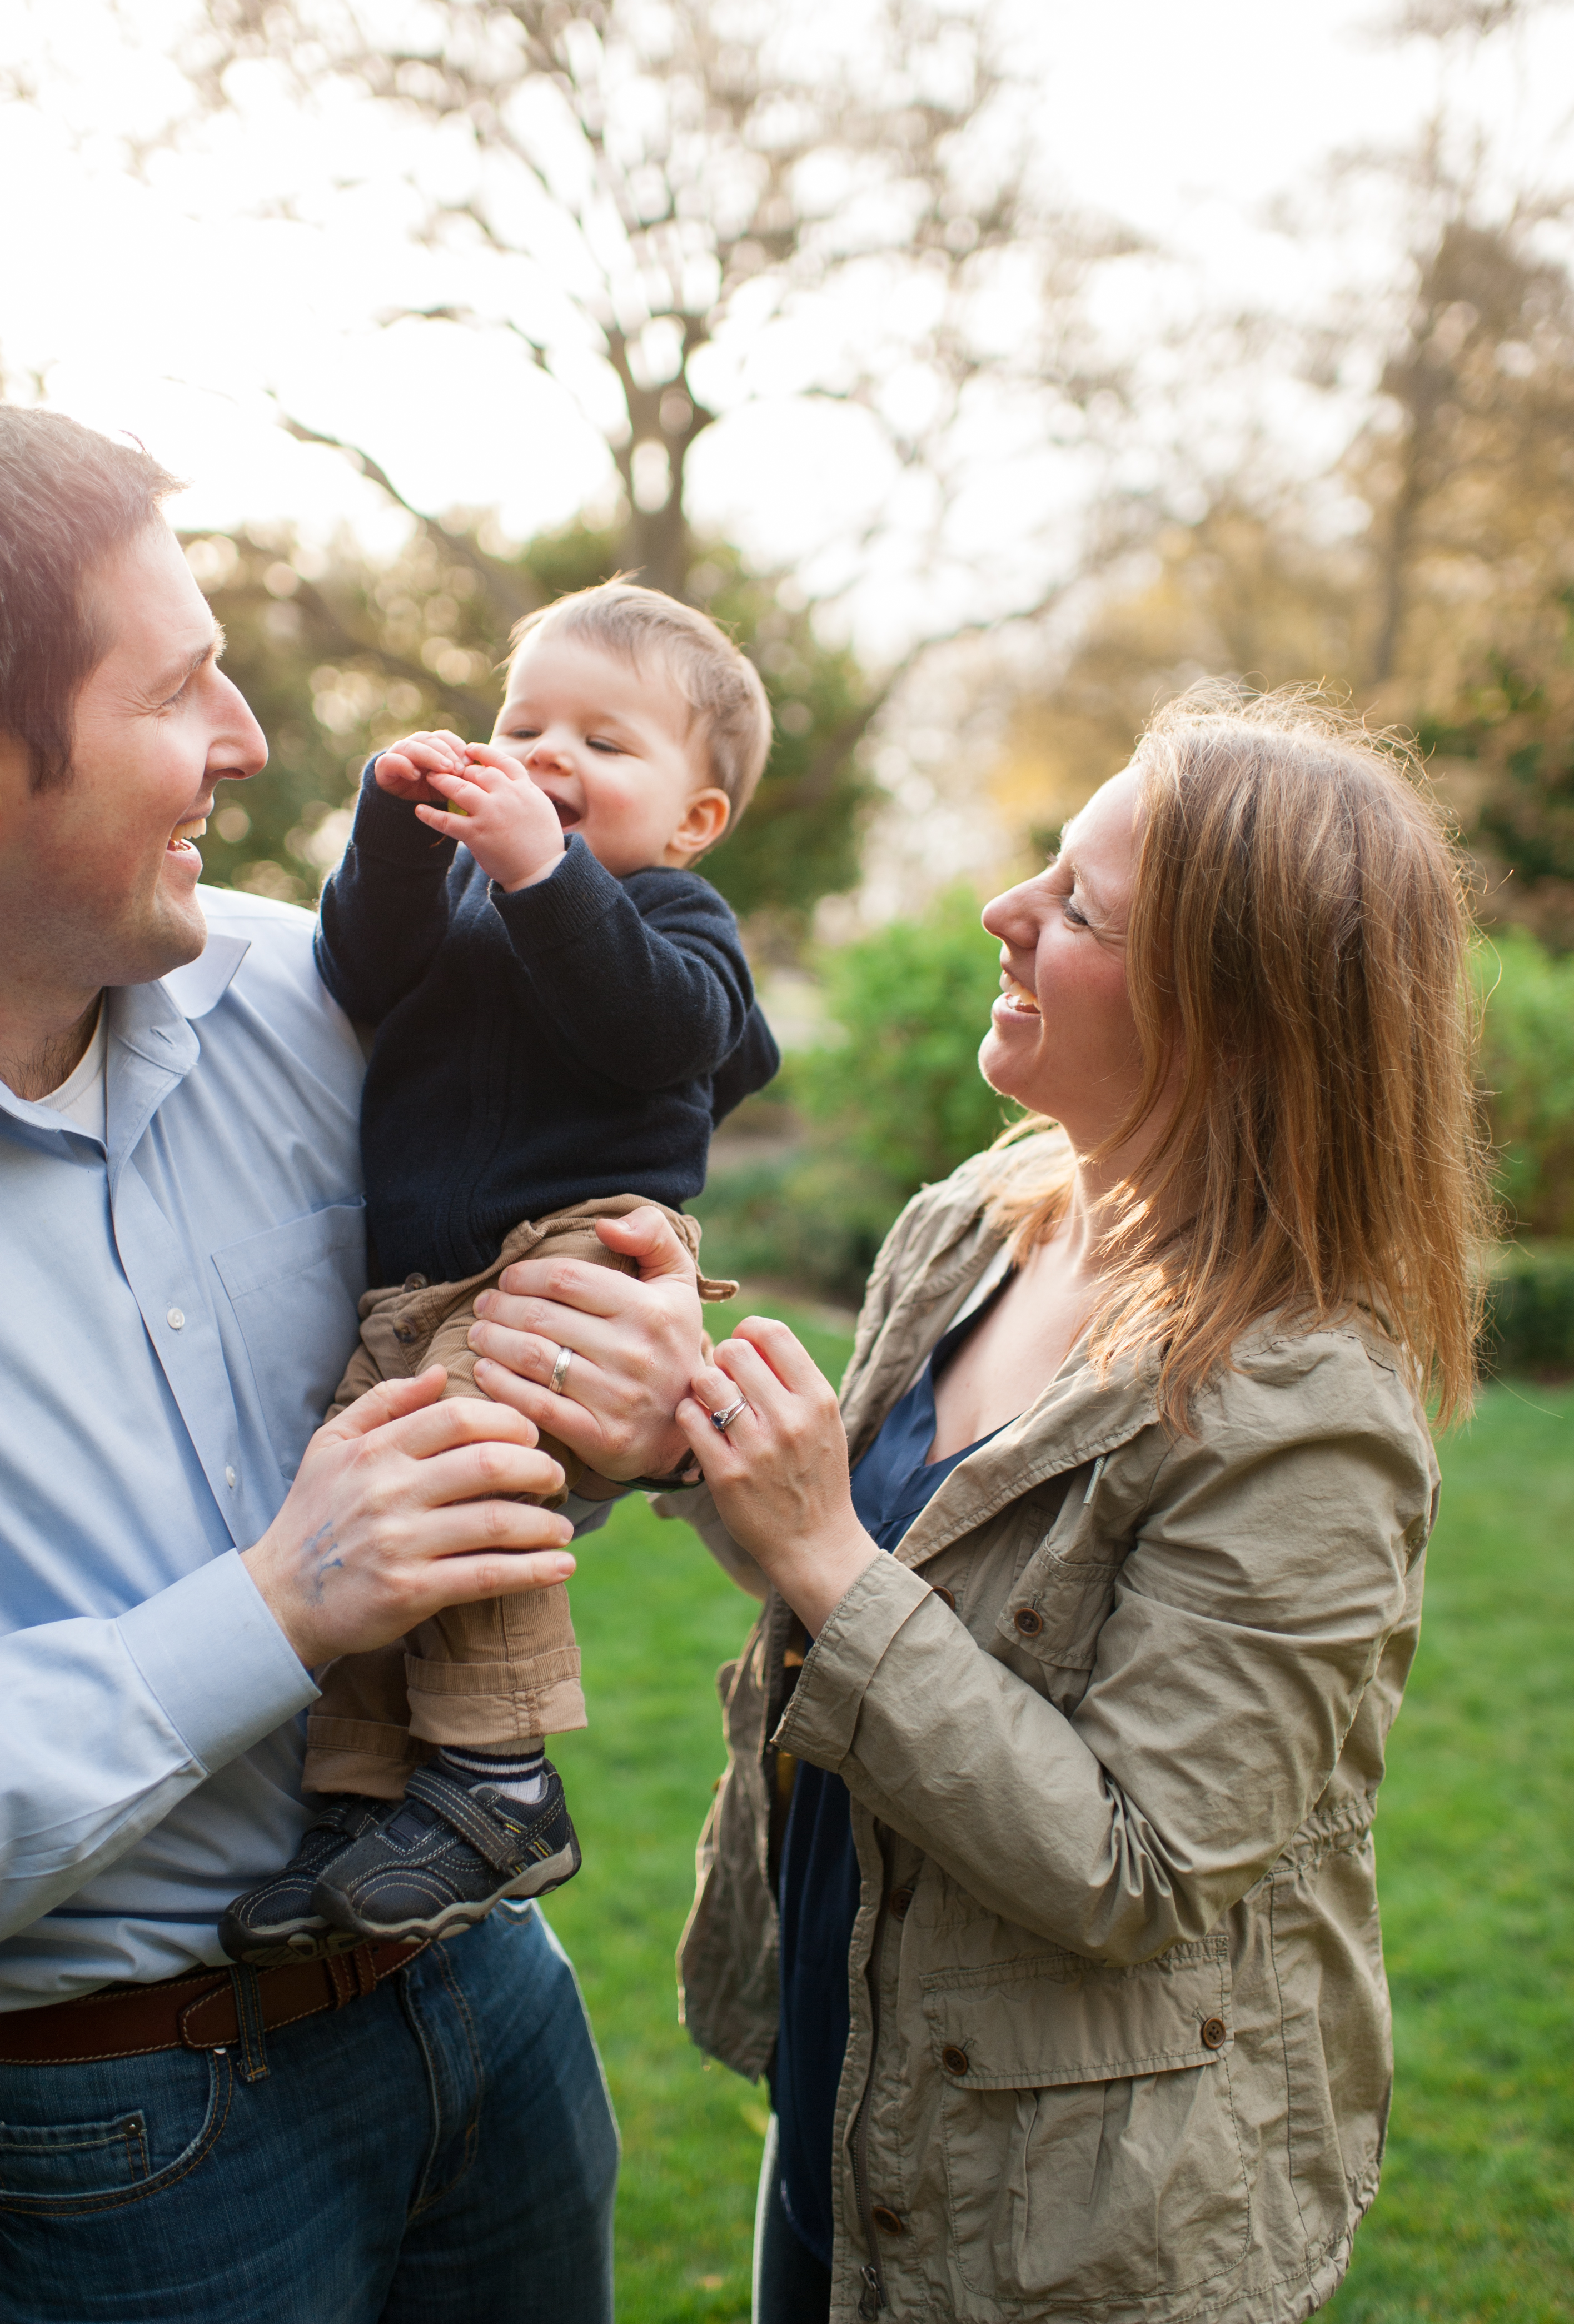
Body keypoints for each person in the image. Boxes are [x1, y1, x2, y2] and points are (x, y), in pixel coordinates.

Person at [654, 686, 1490, 2324]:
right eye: (1051, 865)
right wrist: (687, 1420)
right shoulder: (984, 1218)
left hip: (1067, 2222)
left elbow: (1146, 1869)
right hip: (860, 2091)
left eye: (1082, 909)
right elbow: (860, 1539)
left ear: (1229, 1022)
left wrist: (823, 1554)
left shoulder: (1309, 1410)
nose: (1004, 912)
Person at [0, 406, 705, 2323]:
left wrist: (636, 1405)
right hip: (113, 2131)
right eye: (180, 689)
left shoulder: (306, 1015)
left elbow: (544, 1236)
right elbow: (331, 1562)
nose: (245, 739)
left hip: (486, 2006)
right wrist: (278, 1605)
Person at [222, 582, 779, 1958]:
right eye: (523, 721)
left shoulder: (676, 918)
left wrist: (547, 872)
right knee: (370, 1481)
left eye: (603, 740)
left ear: (696, 816)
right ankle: (367, 1797)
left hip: (574, 1250)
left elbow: (660, 1036)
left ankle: (500, 1777)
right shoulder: (473, 892)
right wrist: (397, 832)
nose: (546, 755)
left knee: (464, 1468)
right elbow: (361, 967)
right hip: (424, 1282)